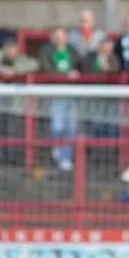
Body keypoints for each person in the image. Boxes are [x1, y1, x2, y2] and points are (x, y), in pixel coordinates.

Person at [38, 29, 82, 170]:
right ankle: (56, 147)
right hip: (55, 94)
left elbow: (80, 66)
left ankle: (65, 157)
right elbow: (45, 69)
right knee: (57, 126)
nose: (59, 39)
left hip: (72, 93)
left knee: (72, 127)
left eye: (62, 36)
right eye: (56, 36)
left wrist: (76, 74)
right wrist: (64, 75)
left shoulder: (72, 51)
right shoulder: (46, 51)